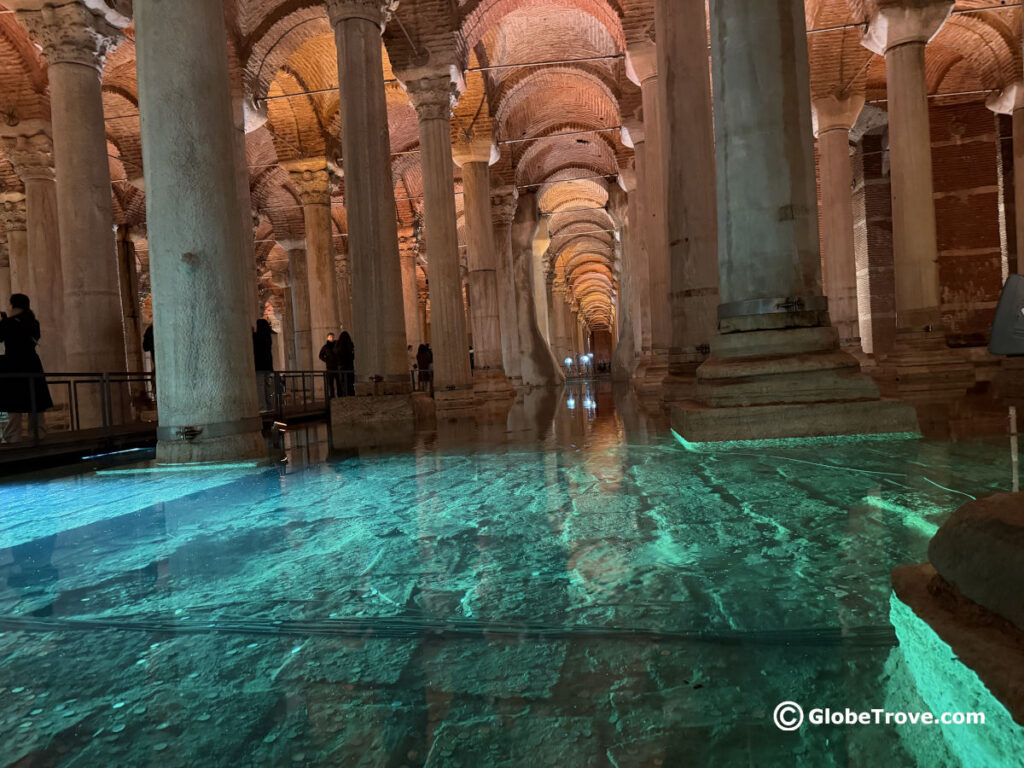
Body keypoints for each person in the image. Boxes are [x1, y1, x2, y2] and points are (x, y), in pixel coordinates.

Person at [0, 294, 53, 443]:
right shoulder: (33, 322)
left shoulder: (8, 323)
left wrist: (3, 321)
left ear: (12, 305)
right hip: (31, 363)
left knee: (13, 403)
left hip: (12, 364)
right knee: (35, 400)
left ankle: (12, 436)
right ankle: (38, 433)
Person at [252, 319, 276, 410]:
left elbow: (255, 343)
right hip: (268, 366)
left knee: (260, 388)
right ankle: (270, 407)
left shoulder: (257, 336)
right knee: (268, 388)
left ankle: (262, 408)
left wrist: (252, 333)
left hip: (259, 366)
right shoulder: (268, 336)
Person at [319, 332, 341, 398]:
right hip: (330, 367)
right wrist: (326, 360)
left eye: (332, 337)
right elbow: (320, 355)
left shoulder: (337, 345)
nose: (332, 338)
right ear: (327, 338)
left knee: (338, 382)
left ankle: (339, 395)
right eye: (330, 337)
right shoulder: (325, 347)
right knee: (330, 383)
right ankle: (332, 396)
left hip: (337, 366)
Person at [335, 331, 355, 396]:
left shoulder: (338, 344)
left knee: (342, 381)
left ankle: (343, 394)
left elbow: (337, 355)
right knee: (350, 381)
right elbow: (352, 356)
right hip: (349, 365)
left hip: (341, 365)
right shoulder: (350, 344)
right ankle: (350, 394)